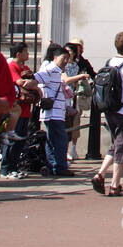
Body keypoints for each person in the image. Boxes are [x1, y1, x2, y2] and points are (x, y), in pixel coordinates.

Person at [90, 31, 123, 197]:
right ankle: (115, 185)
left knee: (116, 144)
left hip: (110, 109)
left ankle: (101, 174)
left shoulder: (110, 62)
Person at [34, 43, 73, 177]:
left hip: (55, 112)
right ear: (56, 57)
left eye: (68, 59)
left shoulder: (56, 70)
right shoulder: (52, 69)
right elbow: (36, 78)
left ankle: (52, 166)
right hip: (53, 113)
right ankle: (59, 166)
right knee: (60, 140)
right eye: (64, 58)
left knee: (51, 141)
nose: (66, 62)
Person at [1, 44, 37, 178]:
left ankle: (13, 167)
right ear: (18, 54)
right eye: (25, 51)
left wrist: (31, 83)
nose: (28, 54)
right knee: (11, 140)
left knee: (20, 140)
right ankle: (5, 169)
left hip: (26, 110)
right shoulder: (11, 66)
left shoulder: (25, 68)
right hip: (15, 111)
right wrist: (29, 83)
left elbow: (34, 83)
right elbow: (21, 82)